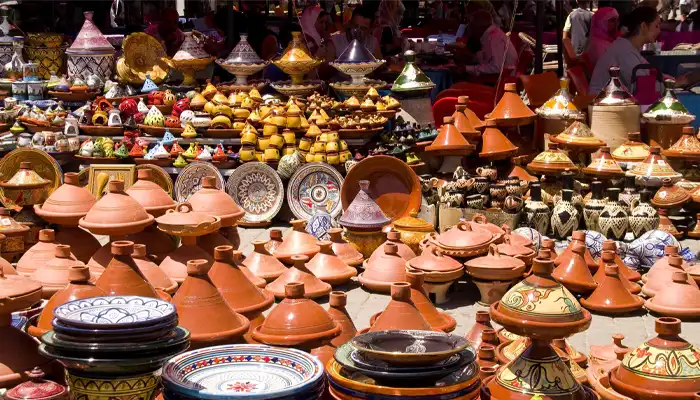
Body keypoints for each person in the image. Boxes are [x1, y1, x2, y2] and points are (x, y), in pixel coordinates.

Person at [588, 6, 660, 94]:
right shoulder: (624, 51)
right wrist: (671, 84)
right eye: (656, 26)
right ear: (644, 26)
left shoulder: (627, 46)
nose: (659, 31)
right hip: (604, 104)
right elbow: (643, 87)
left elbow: (649, 72)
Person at [464, 9, 518, 76]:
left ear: (478, 27)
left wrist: (466, 68)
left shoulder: (494, 39)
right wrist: (473, 58)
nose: (469, 28)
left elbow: (496, 68)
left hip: (499, 81)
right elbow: (488, 58)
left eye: (471, 25)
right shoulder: (492, 34)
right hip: (498, 77)